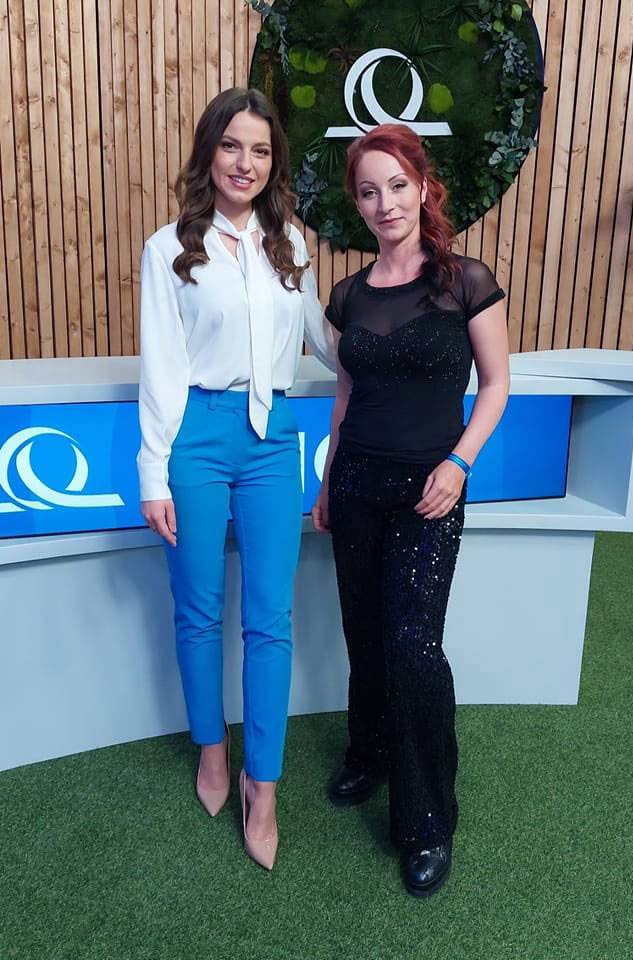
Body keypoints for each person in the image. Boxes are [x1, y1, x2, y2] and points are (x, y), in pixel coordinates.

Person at [137, 87, 334, 871]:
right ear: (208, 153)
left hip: (273, 439)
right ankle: (211, 750)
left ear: (272, 162)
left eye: (259, 149)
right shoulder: (169, 249)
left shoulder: (290, 246)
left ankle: (264, 784)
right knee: (197, 608)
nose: (244, 162)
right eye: (230, 145)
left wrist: (399, 333)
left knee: (270, 618)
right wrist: (153, 471)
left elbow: (325, 339)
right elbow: (161, 366)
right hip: (197, 435)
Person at [312, 123, 510, 898]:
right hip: (356, 483)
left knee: (412, 645)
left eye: (396, 185)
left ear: (423, 187)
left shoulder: (465, 280)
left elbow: (496, 384)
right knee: (364, 632)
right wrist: (328, 481)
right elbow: (345, 395)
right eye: (368, 191)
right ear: (357, 203)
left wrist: (459, 463)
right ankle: (369, 754)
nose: (384, 202)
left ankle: (428, 822)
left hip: (430, 490)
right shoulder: (348, 295)